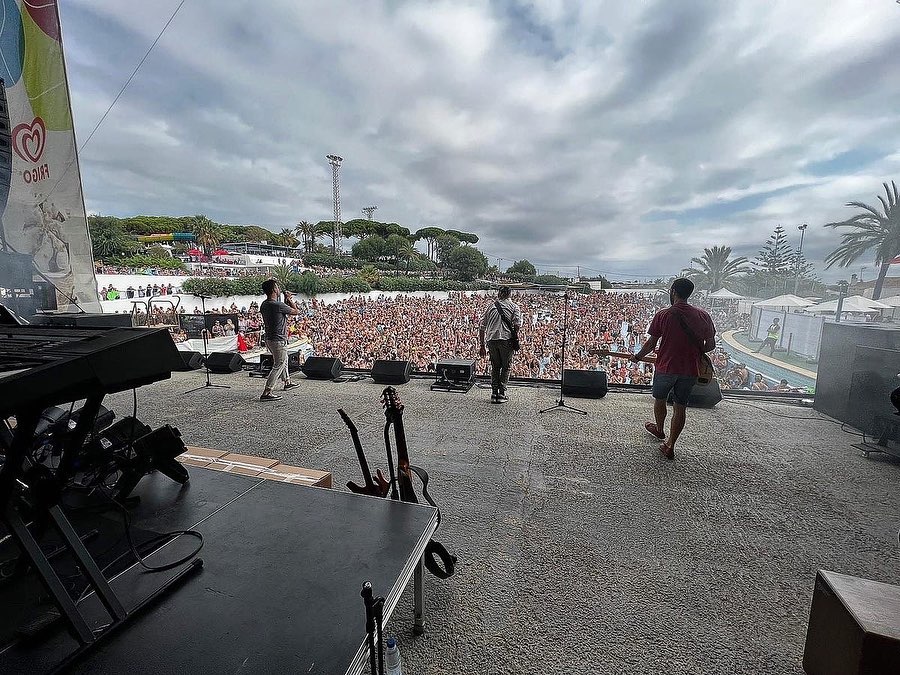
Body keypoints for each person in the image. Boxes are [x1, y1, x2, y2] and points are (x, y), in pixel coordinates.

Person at [632, 278, 716, 460]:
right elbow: (710, 345)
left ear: (673, 291)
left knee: (660, 399)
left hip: (666, 366)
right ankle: (670, 445)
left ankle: (659, 429)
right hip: (690, 369)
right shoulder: (703, 315)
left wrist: (637, 357)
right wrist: (692, 351)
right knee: (680, 407)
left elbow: (651, 343)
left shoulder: (663, 315)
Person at [259, 279, 302, 401]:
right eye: (277, 287)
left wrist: (285, 300)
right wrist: (290, 299)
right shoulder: (278, 305)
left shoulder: (265, 304)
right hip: (278, 339)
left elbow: (281, 311)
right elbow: (296, 311)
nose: (278, 289)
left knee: (284, 360)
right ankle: (267, 392)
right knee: (279, 364)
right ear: (274, 289)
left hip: (269, 338)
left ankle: (287, 382)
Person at [478, 286, 522, 403]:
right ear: (509, 294)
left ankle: (494, 393)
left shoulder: (491, 306)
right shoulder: (514, 307)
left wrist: (482, 345)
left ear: (499, 294)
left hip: (491, 340)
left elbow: (482, 326)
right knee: (506, 367)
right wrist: (514, 335)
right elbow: (517, 325)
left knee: (495, 366)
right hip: (506, 340)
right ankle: (501, 393)